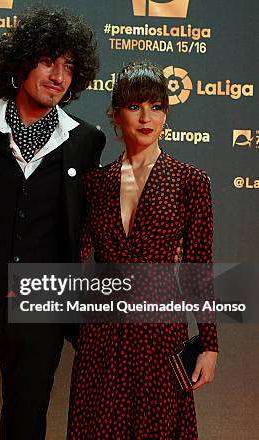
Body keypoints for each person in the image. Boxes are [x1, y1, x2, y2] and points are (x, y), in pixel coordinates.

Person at [0, 6, 105, 439]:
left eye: (69, 67)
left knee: (26, 427)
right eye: (48, 61)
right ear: (22, 60)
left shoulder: (86, 140)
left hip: (43, 308)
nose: (58, 76)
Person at [67, 60, 218, 439]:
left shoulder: (190, 181)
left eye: (156, 106)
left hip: (160, 334)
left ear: (166, 112)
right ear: (116, 114)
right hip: (102, 336)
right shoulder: (96, 183)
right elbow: (75, 254)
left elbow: (199, 267)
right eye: (134, 106)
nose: (146, 117)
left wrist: (209, 345)